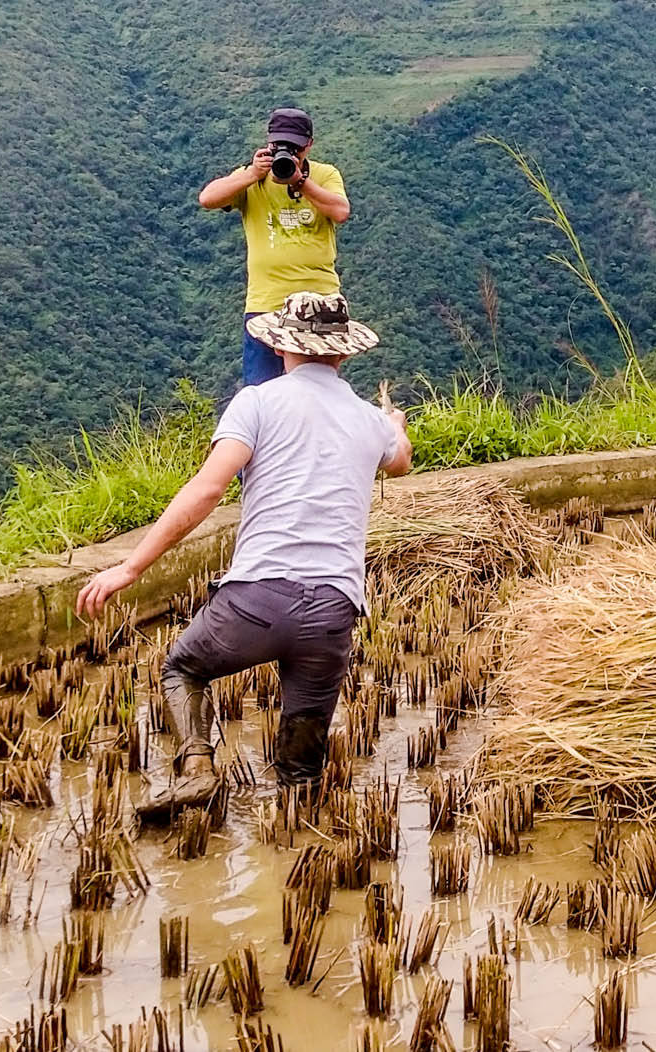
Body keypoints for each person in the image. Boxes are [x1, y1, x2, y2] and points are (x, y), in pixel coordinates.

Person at [75, 291, 412, 816]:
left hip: (256, 600)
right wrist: (396, 427)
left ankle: (197, 772)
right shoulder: (370, 420)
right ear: (344, 355)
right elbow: (400, 463)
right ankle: (294, 849)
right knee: (302, 777)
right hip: (332, 612)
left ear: (280, 348)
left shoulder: (257, 402)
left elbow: (207, 491)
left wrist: (131, 565)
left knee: (183, 670)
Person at [199, 107, 353, 386]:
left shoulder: (324, 174)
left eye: (295, 147)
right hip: (266, 303)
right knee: (260, 389)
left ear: (309, 145)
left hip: (320, 302)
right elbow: (207, 199)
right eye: (280, 146)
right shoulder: (252, 178)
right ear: (269, 143)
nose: (289, 153)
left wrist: (300, 181)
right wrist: (250, 175)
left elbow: (341, 212)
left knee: (319, 388)